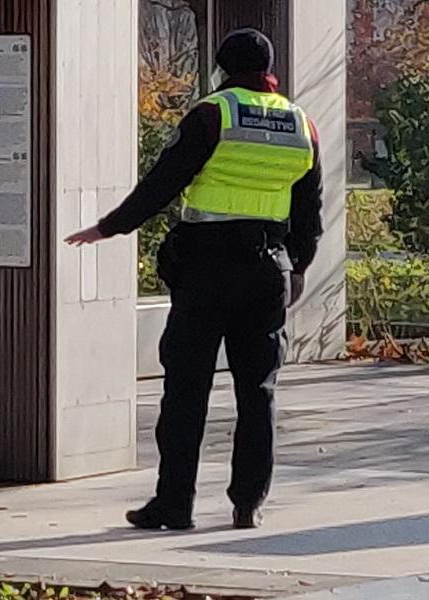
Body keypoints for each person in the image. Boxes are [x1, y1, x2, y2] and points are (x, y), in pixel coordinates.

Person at [65, 29, 323, 530]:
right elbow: (310, 210)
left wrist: (109, 227)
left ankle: (174, 504)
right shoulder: (302, 125)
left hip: (207, 270)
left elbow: (164, 181)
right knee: (258, 392)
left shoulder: (213, 114)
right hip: (268, 267)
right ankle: (248, 503)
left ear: (223, 67)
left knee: (186, 390)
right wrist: (299, 267)